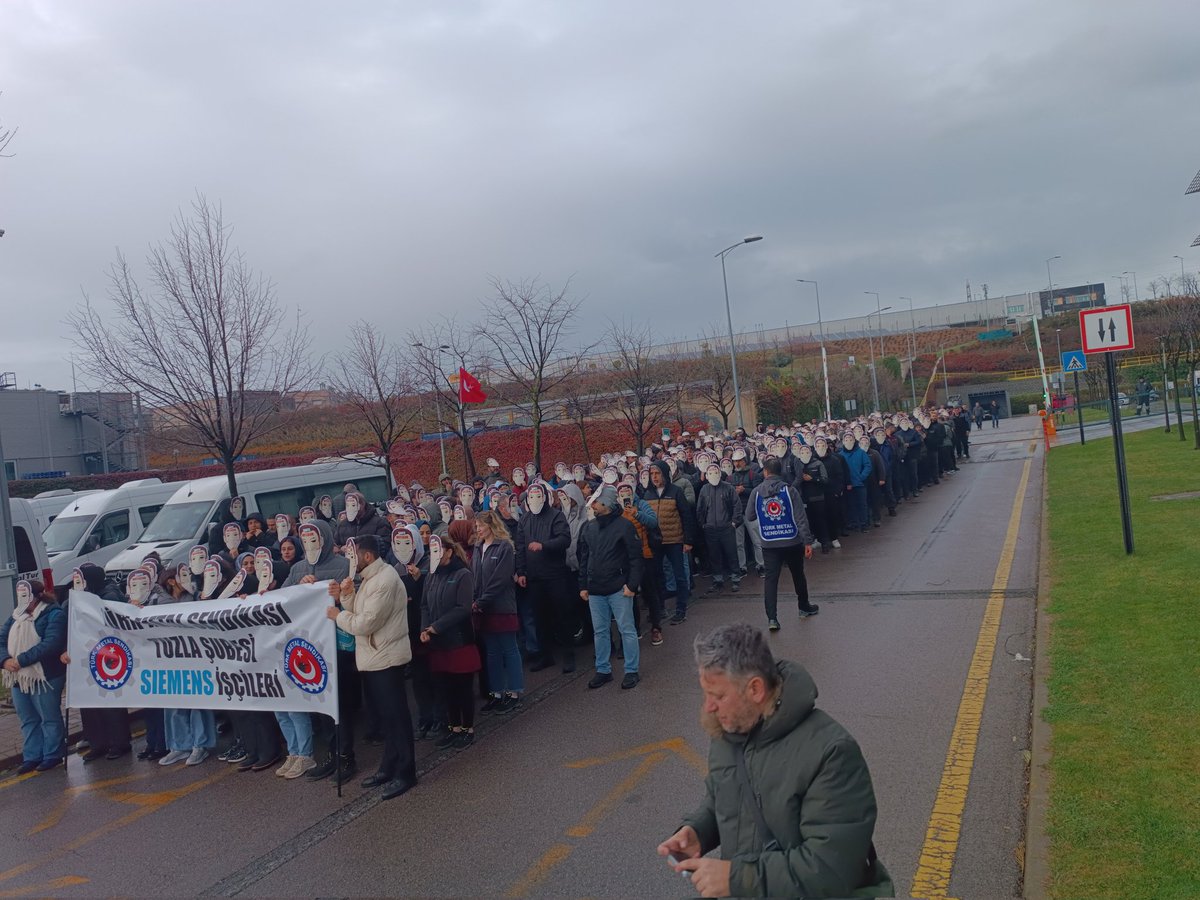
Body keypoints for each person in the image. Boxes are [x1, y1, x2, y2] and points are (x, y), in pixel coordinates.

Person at [658, 624, 891, 898]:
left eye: (718, 696)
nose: (709, 706)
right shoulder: (728, 731)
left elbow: (830, 869)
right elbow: (724, 795)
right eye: (706, 694)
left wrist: (737, 878)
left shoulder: (832, 753)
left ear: (755, 689)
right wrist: (698, 831)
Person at [328, 533, 417, 801]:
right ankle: (389, 766)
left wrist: (338, 616)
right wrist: (347, 595)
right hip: (373, 658)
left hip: (386, 658)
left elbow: (366, 623)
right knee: (386, 719)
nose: (351, 561)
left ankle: (406, 772)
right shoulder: (370, 578)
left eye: (354, 556)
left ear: (367, 556)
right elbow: (359, 611)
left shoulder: (385, 580)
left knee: (396, 718)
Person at [286, 520, 358, 784]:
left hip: (339, 647)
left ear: (325, 539)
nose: (310, 545)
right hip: (311, 649)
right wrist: (299, 587)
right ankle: (331, 754)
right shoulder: (297, 569)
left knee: (342, 706)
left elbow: (358, 599)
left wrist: (340, 596)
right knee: (321, 704)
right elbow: (282, 600)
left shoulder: (343, 565)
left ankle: (346, 756)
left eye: (314, 539)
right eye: (305, 540)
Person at [577, 486, 644, 690]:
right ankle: (603, 670)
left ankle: (631, 670)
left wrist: (632, 585)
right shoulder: (589, 527)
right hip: (596, 589)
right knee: (600, 632)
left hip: (618, 588)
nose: (592, 505)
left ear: (606, 503)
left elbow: (636, 557)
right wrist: (583, 585)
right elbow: (584, 558)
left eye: (596, 502)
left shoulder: (625, 526)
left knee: (627, 630)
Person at [420, 535, 480, 749]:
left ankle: (467, 728)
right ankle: (454, 728)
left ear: (448, 551)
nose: (434, 555)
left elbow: (463, 608)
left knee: (462, 687)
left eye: (438, 550)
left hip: (459, 640)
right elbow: (424, 605)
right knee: (446, 688)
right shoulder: (431, 575)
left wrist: (437, 626)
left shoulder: (463, 574)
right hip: (438, 642)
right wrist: (425, 628)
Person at [2, 579, 67, 774]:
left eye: (26, 596)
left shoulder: (54, 614)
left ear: (38, 596)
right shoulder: (15, 617)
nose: (22, 601)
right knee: (27, 718)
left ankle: (52, 754)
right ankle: (32, 756)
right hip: (19, 677)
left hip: (46, 675)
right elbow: (1, 639)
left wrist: (21, 659)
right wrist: (5, 660)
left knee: (48, 717)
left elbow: (52, 643)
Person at [744, 457, 817, 631]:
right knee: (798, 575)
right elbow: (800, 518)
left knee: (771, 580)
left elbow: (750, 516)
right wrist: (807, 541)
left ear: (765, 472)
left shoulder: (756, 492)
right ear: (780, 472)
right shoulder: (790, 490)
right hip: (791, 541)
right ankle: (803, 607)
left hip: (769, 542)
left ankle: (772, 619)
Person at [70, 564, 133, 762]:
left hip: (108, 654)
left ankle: (119, 742)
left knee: (110, 702)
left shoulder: (109, 595)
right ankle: (98, 743)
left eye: (80, 581)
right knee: (89, 703)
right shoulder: (80, 597)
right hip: (87, 654)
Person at [514, 482, 576, 674]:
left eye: (538, 496)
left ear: (545, 497)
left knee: (562, 615)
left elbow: (565, 539)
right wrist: (521, 571)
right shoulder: (524, 520)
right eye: (531, 497)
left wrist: (544, 545)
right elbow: (520, 547)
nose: (534, 500)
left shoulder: (556, 516)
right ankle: (545, 655)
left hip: (555, 575)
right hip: (534, 577)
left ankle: (569, 655)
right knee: (539, 617)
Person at [473, 511, 523, 714]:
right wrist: (476, 600)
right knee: (492, 652)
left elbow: (500, 579)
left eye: (480, 526)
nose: (477, 530)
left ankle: (515, 691)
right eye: (476, 526)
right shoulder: (478, 548)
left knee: (509, 649)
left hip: (502, 606)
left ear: (490, 525)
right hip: (484, 609)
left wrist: (482, 600)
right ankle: (497, 692)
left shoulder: (504, 547)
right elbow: (475, 577)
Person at [641, 460, 697, 625]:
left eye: (657, 473)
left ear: (665, 474)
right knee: (657, 576)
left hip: (674, 540)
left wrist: (688, 540)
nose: (654, 477)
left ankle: (681, 610)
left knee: (679, 575)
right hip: (655, 543)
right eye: (652, 474)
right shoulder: (648, 494)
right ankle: (660, 609)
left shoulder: (676, 491)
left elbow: (686, 516)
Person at [696, 463, 741, 594]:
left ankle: (735, 579)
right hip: (710, 529)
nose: (713, 475)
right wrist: (702, 524)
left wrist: (734, 522)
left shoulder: (728, 488)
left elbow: (736, 505)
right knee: (714, 555)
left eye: (715, 472)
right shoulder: (704, 489)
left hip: (726, 527)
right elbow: (700, 508)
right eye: (710, 473)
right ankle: (717, 580)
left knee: (731, 553)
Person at [839, 433, 872, 534]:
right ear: (843, 442)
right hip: (847, 485)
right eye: (846, 439)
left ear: (854, 440)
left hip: (860, 484)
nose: (848, 441)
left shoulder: (861, 452)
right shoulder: (840, 455)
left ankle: (864, 524)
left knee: (862, 504)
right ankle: (853, 523)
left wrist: (861, 477)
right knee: (850, 505)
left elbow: (867, 465)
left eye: (850, 439)